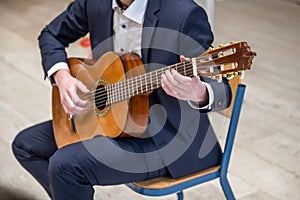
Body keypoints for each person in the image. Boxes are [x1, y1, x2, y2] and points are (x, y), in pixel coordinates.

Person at [12, 0, 231, 199]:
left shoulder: (183, 13)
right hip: (106, 118)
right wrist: (62, 76)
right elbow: (51, 34)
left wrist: (199, 92)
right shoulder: (95, 3)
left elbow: (221, 89)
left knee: (65, 165)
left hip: (164, 139)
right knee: (26, 146)